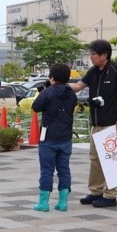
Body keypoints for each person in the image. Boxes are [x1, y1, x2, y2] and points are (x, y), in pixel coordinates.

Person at [69, 40, 117, 208]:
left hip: (112, 123)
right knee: (95, 158)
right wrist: (60, 85)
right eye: (91, 54)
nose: (91, 57)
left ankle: (110, 195)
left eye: (94, 54)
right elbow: (78, 86)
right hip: (96, 123)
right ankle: (95, 191)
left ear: (104, 55)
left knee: (110, 159)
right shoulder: (93, 71)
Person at [31, 63, 77, 212]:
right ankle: (63, 203)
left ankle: (43, 203)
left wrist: (43, 91)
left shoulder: (48, 92)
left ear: (52, 77)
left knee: (47, 171)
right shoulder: (71, 93)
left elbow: (35, 107)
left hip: (49, 139)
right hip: (65, 138)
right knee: (64, 169)